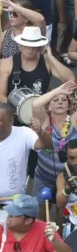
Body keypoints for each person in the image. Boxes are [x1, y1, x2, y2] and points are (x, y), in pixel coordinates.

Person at [30, 81, 77, 220]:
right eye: (55, 100)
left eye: (64, 100)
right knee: (41, 218)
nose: (60, 102)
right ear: (48, 106)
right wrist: (59, 90)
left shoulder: (74, 119)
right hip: (43, 177)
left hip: (68, 178)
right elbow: (35, 104)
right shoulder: (44, 120)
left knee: (61, 217)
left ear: (69, 105)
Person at [0, 26, 74, 108]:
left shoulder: (47, 62)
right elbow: (1, 96)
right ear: (20, 45)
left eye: (34, 46)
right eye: (27, 46)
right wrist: (20, 112)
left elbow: (70, 79)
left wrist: (51, 58)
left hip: (41, 111)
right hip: (14, 112)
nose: (30, 50)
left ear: (39, 47)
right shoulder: (7, 64)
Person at [55, 140, 77, 252]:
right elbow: (60, 204)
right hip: (73, 227)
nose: (75, 161)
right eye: (71, 158)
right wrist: (68, 189)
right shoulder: (64, 176)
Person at [0, 0, 45, 68]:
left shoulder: (36, 32)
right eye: (11, 13)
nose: (11, 16)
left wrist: (17, 8)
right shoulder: (6, 34)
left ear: (26, 19)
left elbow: (41, 20)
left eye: (15, 14)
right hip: (9, 75)